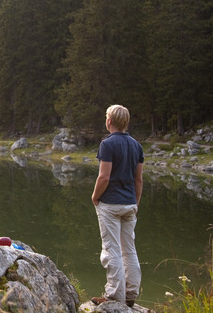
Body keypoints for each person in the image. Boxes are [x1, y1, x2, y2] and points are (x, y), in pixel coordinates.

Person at [91, 104, 144, 307]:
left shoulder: (108, 144)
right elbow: (138, 179)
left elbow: (104, 176)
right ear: (126, 123)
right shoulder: (136, 145)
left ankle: (114, 296)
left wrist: (95, 196)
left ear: (109, 121)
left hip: (110, 204)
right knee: (129, 249)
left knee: (111, 249)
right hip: (130, 204)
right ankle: (131, 294)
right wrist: (135, 203)